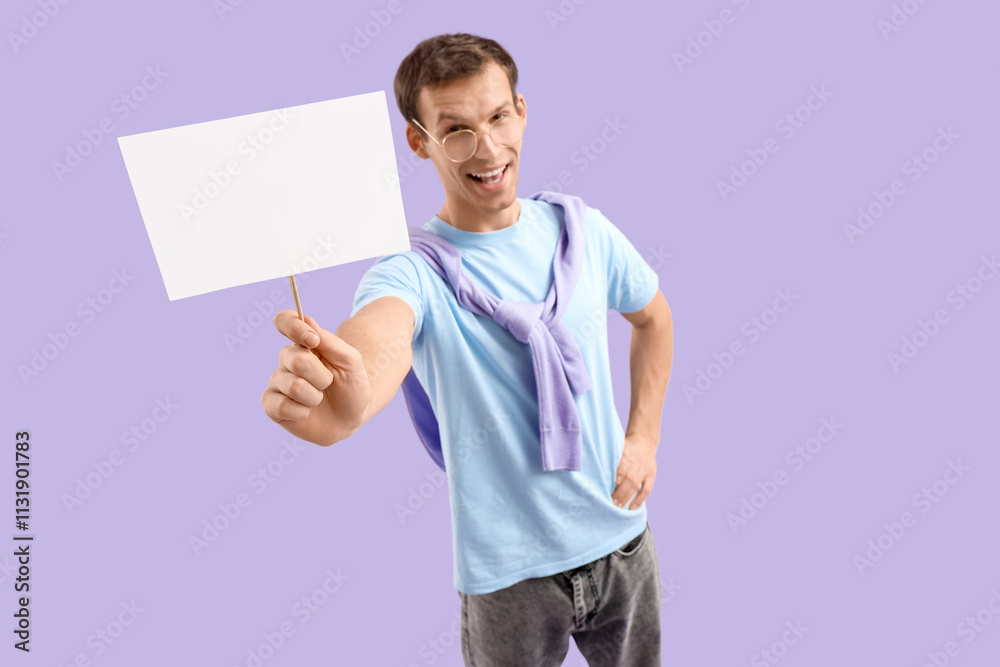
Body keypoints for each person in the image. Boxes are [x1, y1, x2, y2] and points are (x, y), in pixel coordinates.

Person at [261, 32, 674, 667]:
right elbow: (379, 338)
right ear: (419, 141)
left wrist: (642, 439)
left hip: (622, 542)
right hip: (508, 578)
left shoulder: (583, 232)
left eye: (499, 117)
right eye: (455, 129)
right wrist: (344, 400)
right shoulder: (411, 273)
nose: (487, 148)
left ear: (522, 112)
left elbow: (653, 320)